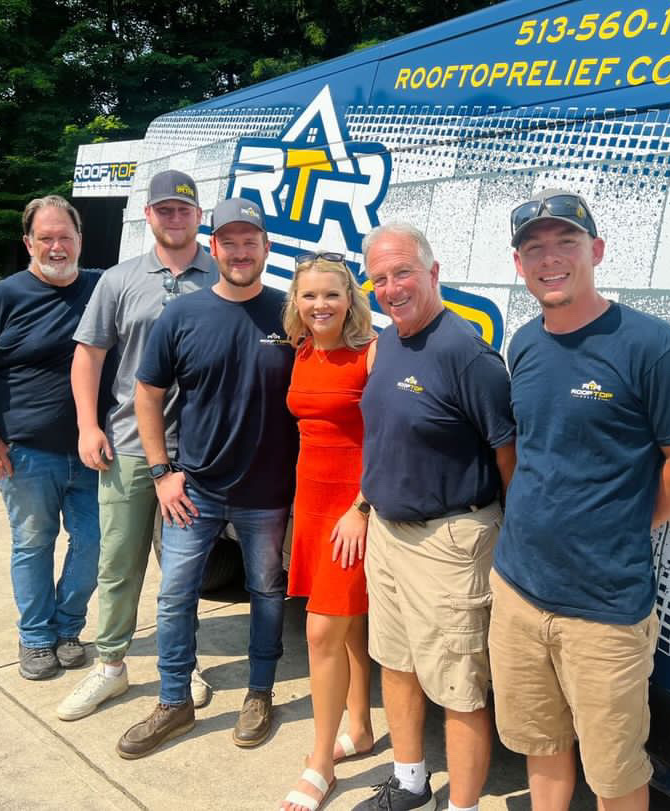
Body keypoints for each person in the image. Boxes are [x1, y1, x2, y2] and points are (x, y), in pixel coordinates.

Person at [489, 190, 670, 811]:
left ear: (597, 251)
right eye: (534, 248)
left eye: (566, 242)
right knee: (541, 745)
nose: (550, 258)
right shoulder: (524, 344)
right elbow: (538, 451)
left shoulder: (653, 348)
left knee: (616, 775)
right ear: (519, 265)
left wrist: (620, 523)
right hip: (517, 590)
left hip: (604, 609)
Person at [116, 197, 298, 759]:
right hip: (194, 490)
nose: (241, 252)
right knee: (174, 597)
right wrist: (162, 472)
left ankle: (259, 693)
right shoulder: (183, 315)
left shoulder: (291, 315)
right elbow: (146, 396)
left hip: (268, 494)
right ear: (212, 247)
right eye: (230, 242)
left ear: (267, 248)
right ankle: (174, 701)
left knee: (267, 593)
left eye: (252, 242)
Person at [354, 223, 516, 811]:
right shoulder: (388, 340)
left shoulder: (467, 356)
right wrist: (365, 505)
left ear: (434, 273)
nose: (392, 288)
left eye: (403, 273)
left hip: (450, 541)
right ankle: (410, 780)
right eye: (380, 278)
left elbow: (508, 456)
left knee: (459, 687)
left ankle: (463, 805)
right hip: (390, 534)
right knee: (394, 663)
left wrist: (511, 536)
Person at [56, 170, 217, 721]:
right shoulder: (119, 280)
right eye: (164, 210)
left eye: (185, 210)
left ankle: (182, 663)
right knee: (118, 564)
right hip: (126, 444)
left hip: (196, 454)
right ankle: (111, 668)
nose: (175, 218)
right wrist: (87, 424)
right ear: (148, 216)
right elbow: (89, 355)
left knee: (181, 571)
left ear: (200, 216)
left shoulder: (222, 276)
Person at [0, 195, 102, 681]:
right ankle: (36, 638)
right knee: (33, 544)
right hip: (24, 454)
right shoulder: (2, 297)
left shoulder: (101, 288)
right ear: (29, 242)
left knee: (93, 545)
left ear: (79, 239)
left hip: (93, 452)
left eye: (64, 237)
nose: (56, 247)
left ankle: (68, 629)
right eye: (45, 238)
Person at [278, 253, 376, 811]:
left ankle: (320, 765)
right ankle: (359, 728)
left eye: (331, 295)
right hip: (311, 504)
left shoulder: (371, 354)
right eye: (309, 295)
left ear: (350, 300)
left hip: (353, 509)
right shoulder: (302, 352)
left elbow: (389, 437)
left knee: (320, 634)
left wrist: (361, 506)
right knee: (349, 626)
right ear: (296, 301)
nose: (320, 305)